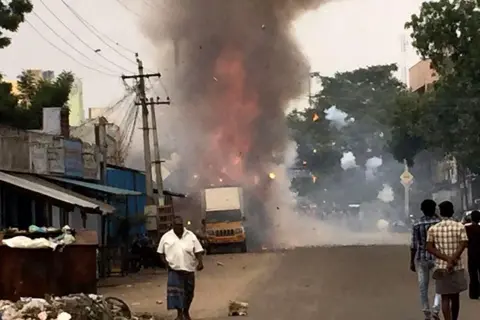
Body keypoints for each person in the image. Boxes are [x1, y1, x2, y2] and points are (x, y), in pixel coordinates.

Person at [426, 201, 468, 320]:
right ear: (452, 211)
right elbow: (464, 243)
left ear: (440, 212)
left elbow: (429, 247)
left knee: (444, 297)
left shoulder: (433, 229)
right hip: (457, 266)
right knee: (455, 297)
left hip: (441, 267)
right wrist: (452, 259)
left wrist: (446, 259)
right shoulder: (460, 226)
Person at [157, 216, 204, 320]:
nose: (179, 227)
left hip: (189, 269)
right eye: (177, 225)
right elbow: (160, 252)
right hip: (174, 269)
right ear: (172, 226)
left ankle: (186, 311)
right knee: (177, 293)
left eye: (180, 225)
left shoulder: (190, 235)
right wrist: (165, 263)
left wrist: (200, 262)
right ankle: (179, 314)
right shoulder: (166, 237)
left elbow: (198, 250)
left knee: (189, 292)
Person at [410, 199, 441, 320]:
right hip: (438, 257)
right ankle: (436, 309)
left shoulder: (417, 224)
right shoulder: (439, 222)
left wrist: (411, 261)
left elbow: (414, 245)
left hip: (421, 258)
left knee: (423, 286)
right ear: (434, 209)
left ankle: (426, 311)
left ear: (422, 210)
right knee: (440, 285)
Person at [465, 210, 480, 299]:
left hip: (472, 254)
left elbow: (465, 242)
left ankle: (474, 293)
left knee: (473, 274)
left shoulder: (467, 229)